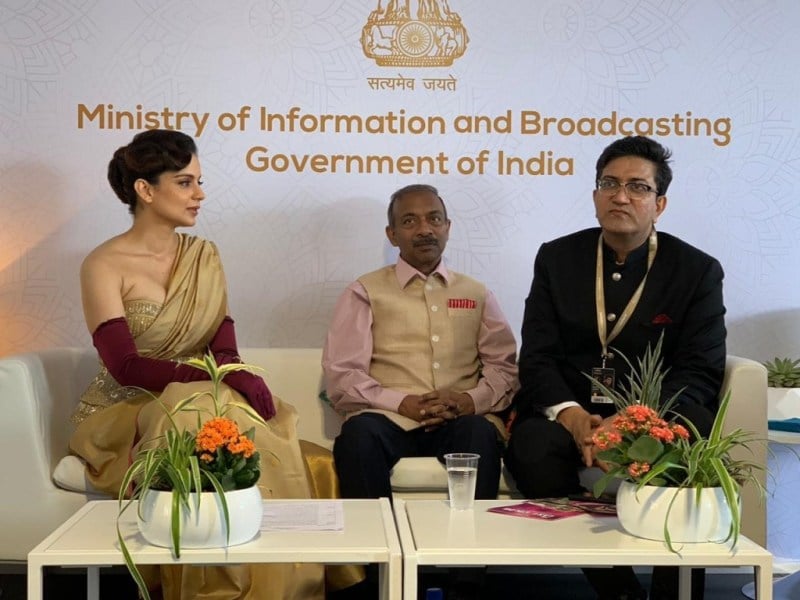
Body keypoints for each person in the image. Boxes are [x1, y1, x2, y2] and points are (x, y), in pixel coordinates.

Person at [68, 129, 359, 599]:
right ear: (145, 190)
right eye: (185, 183)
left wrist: (232, 373)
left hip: (200, 398)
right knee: (195, 404)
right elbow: (125, 366)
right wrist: (212, 376)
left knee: (226, 412)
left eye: (199, 181)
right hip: (126, 410)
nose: (200, 194)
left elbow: (223, 350)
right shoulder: (103, 263)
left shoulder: (204, 256)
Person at [505, 136, 726, 600]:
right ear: (594, 195)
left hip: (655, 415)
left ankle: (676, 591)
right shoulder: (557, 258)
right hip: (572, 415)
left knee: (695, 439)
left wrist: (636, 427)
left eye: (637, 187)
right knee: (531, 445)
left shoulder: (697, 270)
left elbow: (700, 370)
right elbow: (538, 355)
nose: (620, 196)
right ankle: (618, 588)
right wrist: (569, 414)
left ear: (659, 204)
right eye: (609, 183)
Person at [322, 183, 519, 597]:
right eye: (409, 221)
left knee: (480, 434)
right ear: (392, 235)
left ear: (448, 227)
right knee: (357, 438)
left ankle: (467, 581)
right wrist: (403, 402)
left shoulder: (476, 293)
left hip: (457, 420)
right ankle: (374, 579)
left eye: (433, 219)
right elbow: (343, 376)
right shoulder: (364, 291)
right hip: (388, 419)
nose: (424, 229)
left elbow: (504, 369)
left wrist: (468, 400)